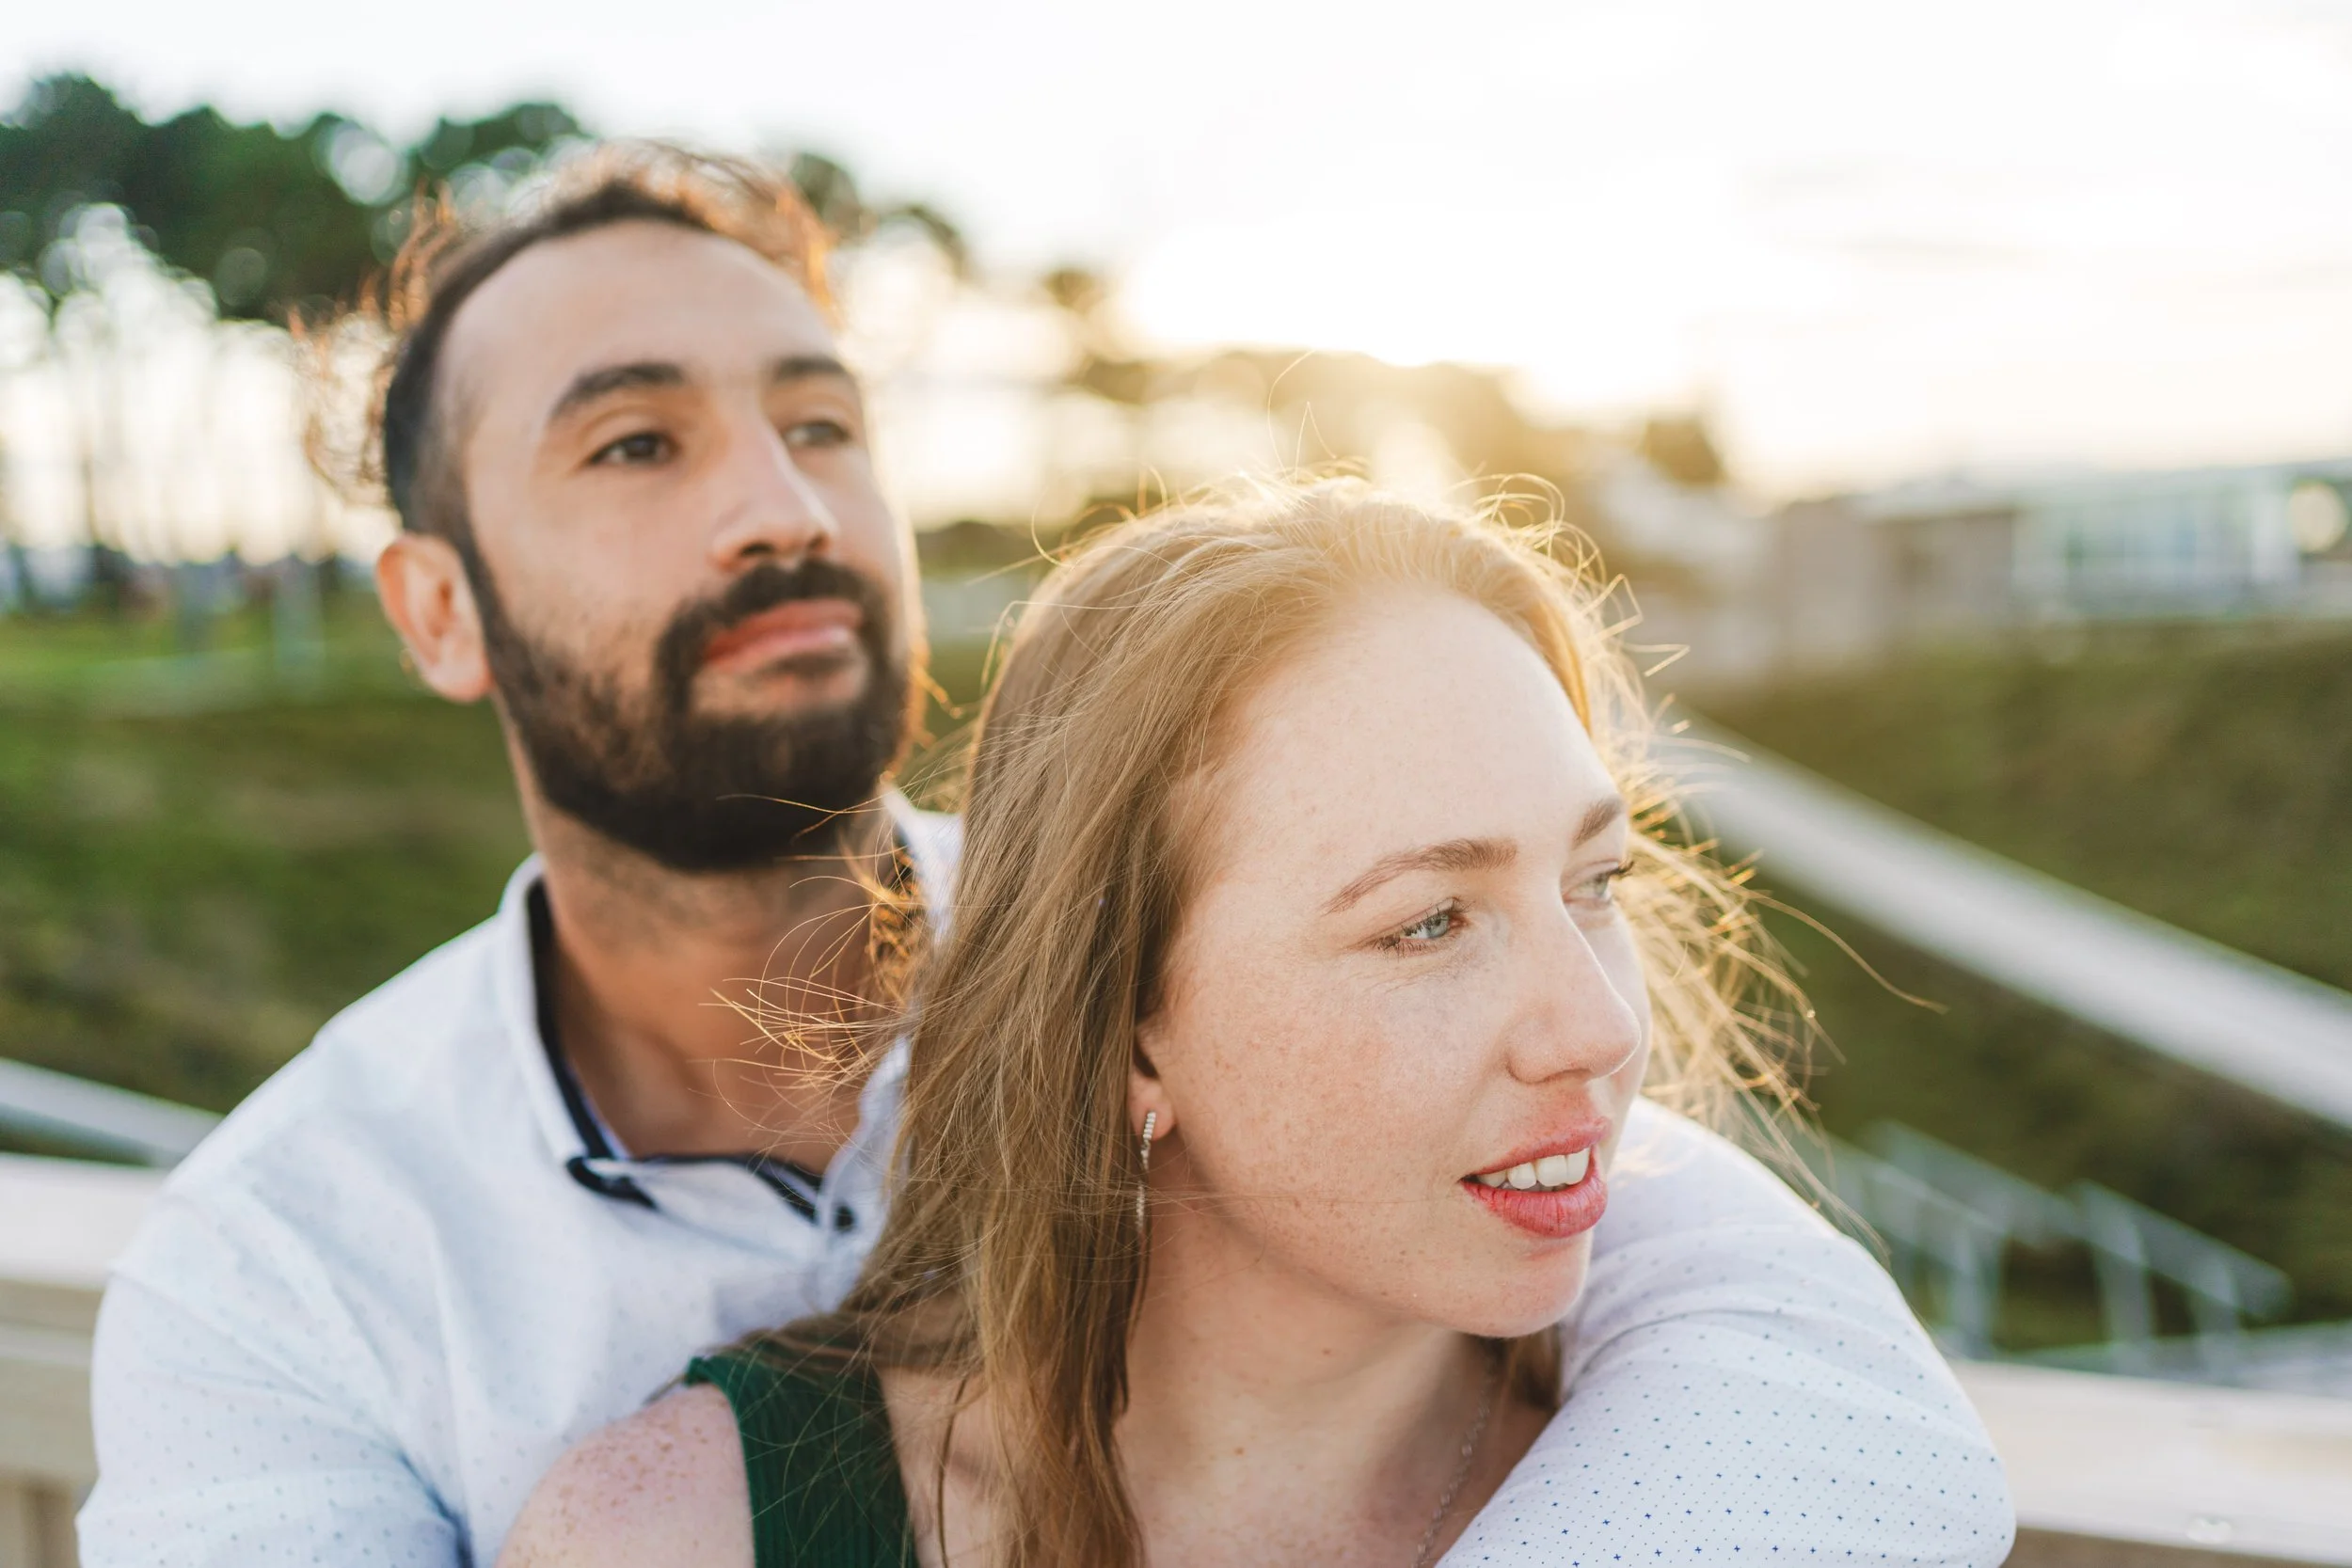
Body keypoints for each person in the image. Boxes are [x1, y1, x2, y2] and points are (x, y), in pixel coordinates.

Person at [79, 145, 2010, 1567]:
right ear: (433, 607)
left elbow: (1781, 1333)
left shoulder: (1201, 920)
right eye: (635, 448)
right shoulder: (287, 1268)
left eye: (820, 419)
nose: (777, 503)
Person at [501, 484, 2010, 1568]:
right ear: (1123, 1029)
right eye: (1428, 921)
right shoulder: (688, 1532)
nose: (1600, 1028)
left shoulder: (1731, 1483)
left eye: (1593, 880)